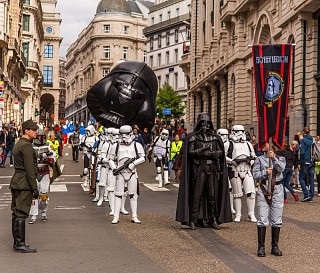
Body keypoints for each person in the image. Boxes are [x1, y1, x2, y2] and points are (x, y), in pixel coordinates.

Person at [176, 113, 232, 230]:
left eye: (207, 123)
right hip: (198, 169)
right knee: (197, 195)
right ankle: (193, 219)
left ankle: (213, 219)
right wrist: (202, 150)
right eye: (202, 123)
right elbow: (190, 153)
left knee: (212, 195)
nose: (205, 126)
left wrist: (211, 154)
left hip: (212, 169)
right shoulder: (192, 137)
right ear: (198, 124)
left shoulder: (216, 138)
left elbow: (221, 153)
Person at [10, 120, 39, 253]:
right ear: (26, 130)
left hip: (17, 180)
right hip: (24, 183)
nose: (36, 132)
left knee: (16, 213)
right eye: (33, 130)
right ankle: (20, 244)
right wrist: (34, 187)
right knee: (21, 213)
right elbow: (29, 169)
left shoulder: (19, 143)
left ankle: (17, 243)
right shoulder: (26, 146)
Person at [252, 143, 286, 257]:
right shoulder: (259, 159)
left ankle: (274, 246)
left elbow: (281, 169)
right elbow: (255, 174)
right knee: (262, 218)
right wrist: (264, 173)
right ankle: (261, 247)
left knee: (276, 218)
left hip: (277, 189)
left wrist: (273, 158)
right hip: (264, 189)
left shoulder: (281, 158)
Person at [109, 125, 145, 224]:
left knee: (133, 195)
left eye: (126, 134)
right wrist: (114, 168)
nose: (124, 137)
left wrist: (133, 164)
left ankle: (134, 216)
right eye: (122, 135)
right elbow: (111, 159)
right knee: (118, 194)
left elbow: (142, 157)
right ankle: (116, 216)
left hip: (132, 173)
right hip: (120, 173)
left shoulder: (136, 145)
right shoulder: (115, 146)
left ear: (131, 134)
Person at [226, 125, 257, 223]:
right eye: (237, 131)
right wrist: (232, 161)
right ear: (233, 132)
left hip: (247, 169)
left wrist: (251, 161)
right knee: (237, 194)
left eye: (241, 131)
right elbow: (223, 156)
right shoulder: (229, 144)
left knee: (251, 193)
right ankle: (238, 213)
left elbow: (253, 155)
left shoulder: (248, 144)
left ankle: (251, 213)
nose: (240, 134)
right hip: (235, 170)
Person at [28, 130, 57, 224]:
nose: (40, 138)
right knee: (34, 195)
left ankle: (43, 212)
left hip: (45, 172)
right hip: (34, 173)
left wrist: (47, 158)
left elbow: (54, 158)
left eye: (42, 136)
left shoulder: (48, 146)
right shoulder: (31, 147)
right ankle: (33, 214)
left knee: (44, 195)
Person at [298, 127, 315, 202]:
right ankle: (311, 195)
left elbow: (302, 152)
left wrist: (300, 162)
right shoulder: (312, 139)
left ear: (303, 133)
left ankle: (306, 194)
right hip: (312, 161)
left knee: (301, 178)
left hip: (305, 161)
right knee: (311, 179)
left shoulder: (303, 140)